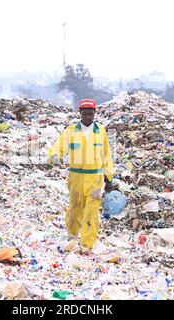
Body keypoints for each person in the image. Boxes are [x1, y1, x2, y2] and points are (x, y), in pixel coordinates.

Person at [47, 98, 114, 250]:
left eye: (91, 114)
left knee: (92, 210)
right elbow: (60, 146)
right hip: (76, 176)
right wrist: (55, 155)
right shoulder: (71, 130)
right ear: (80, 113)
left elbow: (107, 155)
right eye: (85, 114)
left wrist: (109, 178)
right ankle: (72, 235)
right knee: (75, 206)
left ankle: (88, 242)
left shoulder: (101, 132)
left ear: (95, 113)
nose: (88, 117)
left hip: (95, 177)